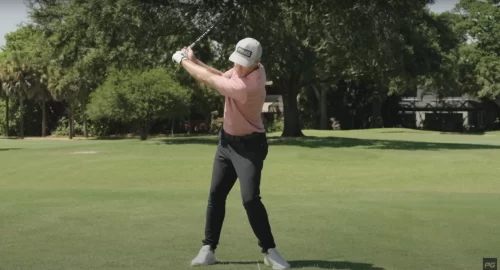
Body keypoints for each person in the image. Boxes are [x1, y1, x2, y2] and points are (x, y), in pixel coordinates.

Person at [172, 38, 290, 269]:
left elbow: (209, 80)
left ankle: (270, 251)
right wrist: (196, 60)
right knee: (216, 195)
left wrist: (182, 61)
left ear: (257, 63)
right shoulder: (243, 69)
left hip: (250, 148)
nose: (237, 66)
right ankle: (208, 249)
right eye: (237, 61)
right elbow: (221, 75)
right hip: (226, 143)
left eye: (243, 63)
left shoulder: (250, 86)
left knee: (249, 199)